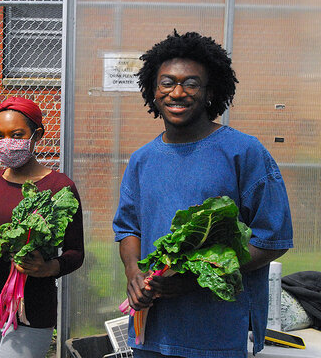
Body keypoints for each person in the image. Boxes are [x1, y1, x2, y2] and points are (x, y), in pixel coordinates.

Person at [113, 31, 294, 358]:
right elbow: (128, 229)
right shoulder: (142, 160)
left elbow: (272, 238)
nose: (177, 92)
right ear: (153, 91)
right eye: (167, 83)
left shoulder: (243, 152)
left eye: (191, 84)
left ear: (210, 93)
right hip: (150, 333)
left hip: (216, 335)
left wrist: (195, 279)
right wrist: (134, 274)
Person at [0, 96, 84, 358]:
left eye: (16, 135)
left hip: (32, 306)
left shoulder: (60, 187)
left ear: (37, 135)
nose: (6, 143)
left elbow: (76, 252)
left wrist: (49, 268)